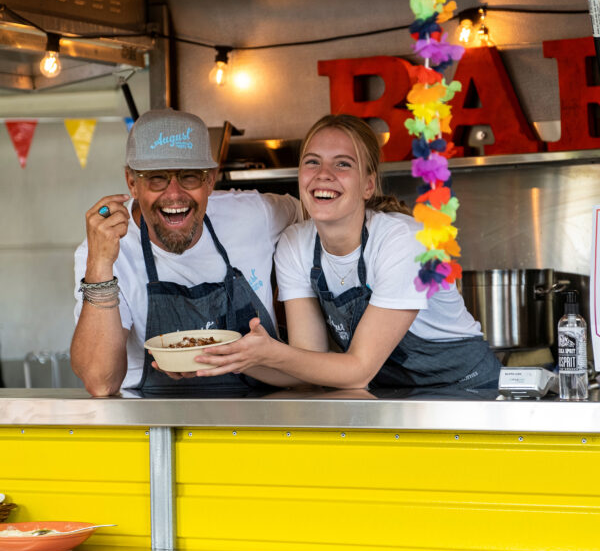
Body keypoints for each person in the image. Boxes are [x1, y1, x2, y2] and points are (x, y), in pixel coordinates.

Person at [191, 114, 502, 399]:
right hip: (390, 394)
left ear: (368, 185)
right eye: (312, 162)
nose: (323, 175)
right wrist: (228, 358)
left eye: (342, 164)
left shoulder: (404, 241)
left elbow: (358, 371)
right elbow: (306, 366)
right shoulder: (295, 245)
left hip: (467, 391)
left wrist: (270, 352)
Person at [71, 108, 301, 397]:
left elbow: (317, 221)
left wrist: (290, 300)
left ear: (210, 180)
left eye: (190, 176)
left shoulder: (254, 213)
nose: (174, 194)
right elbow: (101, 382)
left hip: (261, 419)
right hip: (152, 426)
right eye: (157, 178)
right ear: (132, 183)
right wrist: (100, 264)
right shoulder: (105, 249)